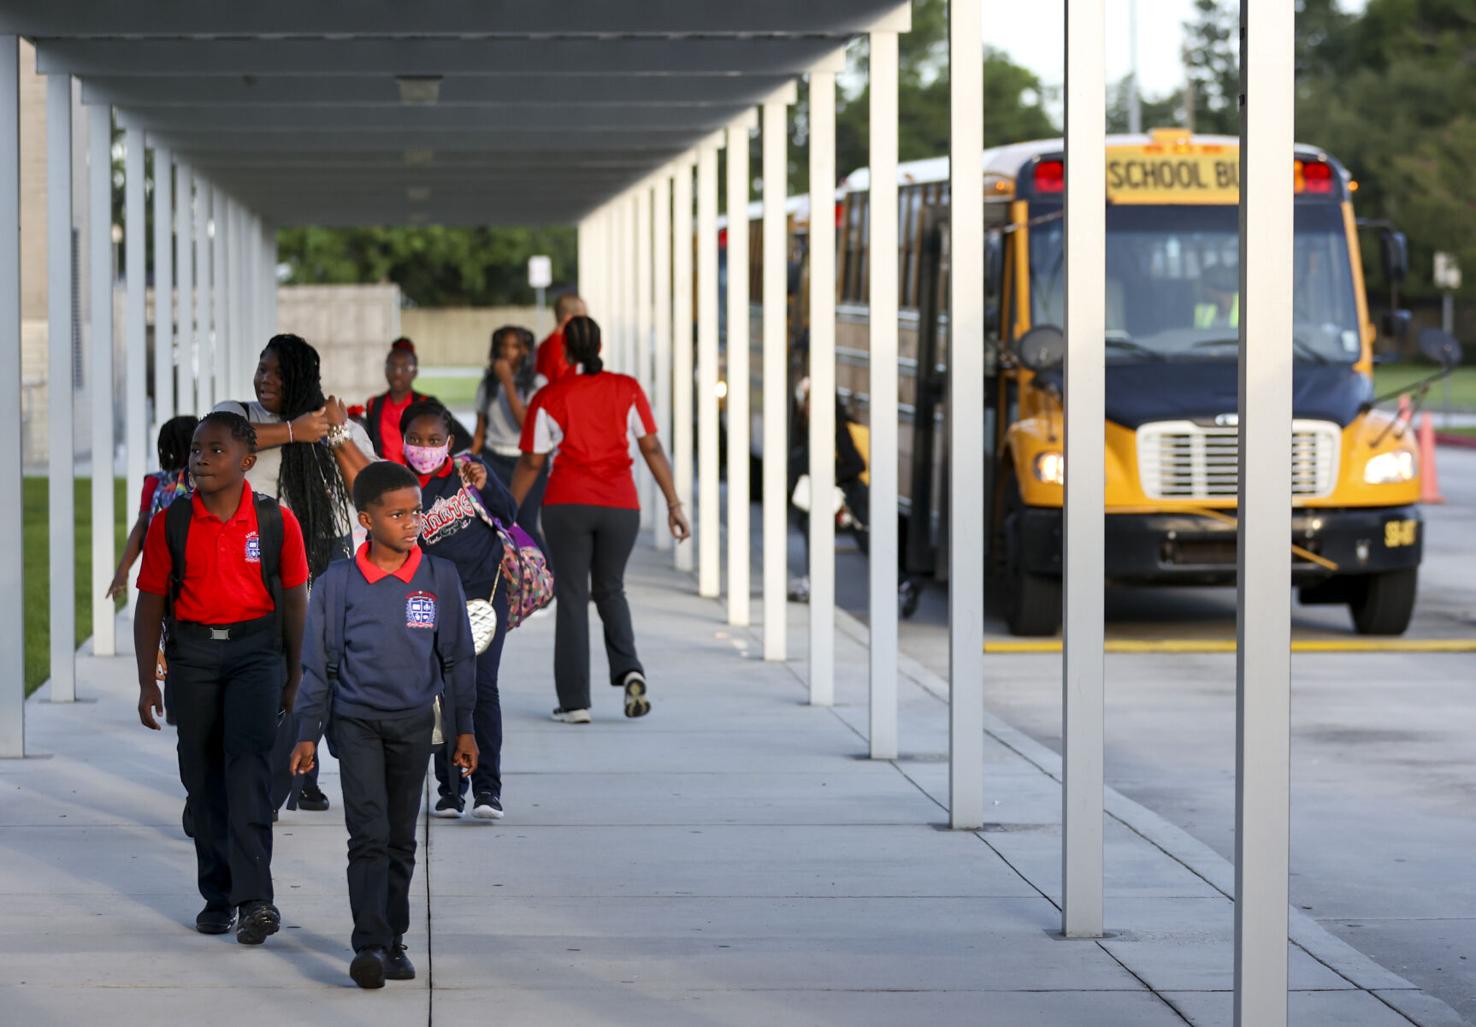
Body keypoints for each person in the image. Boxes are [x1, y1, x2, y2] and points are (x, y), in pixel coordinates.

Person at [289, 460, 478, 990]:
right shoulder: (340, 582)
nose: (411, 522)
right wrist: (307, 732)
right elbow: (318, 663)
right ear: (366, 520)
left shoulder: (439, 577)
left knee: (400, 839)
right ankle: (368, 944)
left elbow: (458, 660)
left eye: (415, 511)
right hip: (355, 724)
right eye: (398, 514)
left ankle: (394, 940)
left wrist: (464, 729)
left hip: (414, 724)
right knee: (367, 835)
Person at [133, 411, 309, 944]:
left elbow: (296, 601)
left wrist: (296, 673)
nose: (201, 459)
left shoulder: (276, 522)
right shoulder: (173, 522)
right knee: (203, 779)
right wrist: (147, 680)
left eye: (215, 451)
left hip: (256, 654)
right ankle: (217, 894)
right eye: (195, 451)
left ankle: (256, 900)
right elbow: (150, 604)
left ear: (246, 462)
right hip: (193, 658)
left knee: (249, 773)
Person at [216, 333, 376, 812]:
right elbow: (221, 443)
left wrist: (336, 434)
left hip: (326, 556)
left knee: (315, 673)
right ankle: (256, 781)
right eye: (262, 368)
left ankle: (299, 773)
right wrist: (292, 432)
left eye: (278, 374)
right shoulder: (237, 414)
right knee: (270, 672)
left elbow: (369, 490)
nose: (265, 380)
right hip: (257, 559)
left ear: (301, 380)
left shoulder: (336, 427)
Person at [510, 315, 690, 724]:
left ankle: (575, 703)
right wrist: (674, 504)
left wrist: (508, 513)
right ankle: (630, 670)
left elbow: (532, 461)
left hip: (566, 505)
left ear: (566, 351)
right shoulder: (626, 389)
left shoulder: (550, 397)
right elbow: (653, 448)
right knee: (611, 589)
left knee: (573, 596)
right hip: (620, 506)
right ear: (600, 346)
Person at [399, 399, 516, 820]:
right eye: (414, 439)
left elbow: (510, 514)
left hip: (485, 594)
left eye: (433, 440)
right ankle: (450, 790)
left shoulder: (467, 473)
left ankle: (488, 789)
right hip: (435, 602)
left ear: (449, 442)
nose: (423, 447)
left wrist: (488, 484)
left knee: (482, 687)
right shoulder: (399, 484)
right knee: (443, 691)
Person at [472, 325, 548, 550]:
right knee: (496, 522)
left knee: (524, 523)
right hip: (494, 458)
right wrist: (468, 459)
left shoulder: (537, 383)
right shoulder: (488, 384)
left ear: (526, 351)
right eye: (503, 346)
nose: (507, 352)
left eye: (515, 347)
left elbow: (525, 425)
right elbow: (479, 431)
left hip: (526, 463)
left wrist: (508, 382)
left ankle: (545, 579)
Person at [108, 415, 199, 601]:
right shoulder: (208, 479)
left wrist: (122, 571)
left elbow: (142, 526)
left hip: (161, 569)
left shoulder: (154, 482)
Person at [363, 337, 473, 461]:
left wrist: (436, 459)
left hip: (420, 474)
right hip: (386, 474)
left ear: (415, 372)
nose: (397, 373)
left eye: (405, 368)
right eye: (392, 366)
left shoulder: (426, 402)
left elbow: (462, 438)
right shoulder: (374, 404)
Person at [534, 293, 586, 385]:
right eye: (583, 316)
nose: (586, 322)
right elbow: (565, 383)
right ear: (568, 318)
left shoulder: (547, 343)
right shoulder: (561, 345)